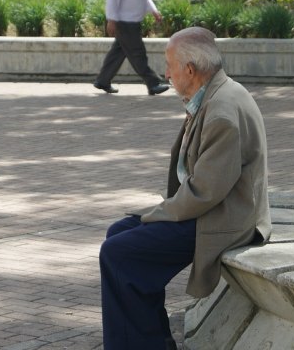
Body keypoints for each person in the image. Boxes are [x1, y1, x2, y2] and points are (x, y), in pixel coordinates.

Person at [99, 27, 271, 350]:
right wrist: (156, 214)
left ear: (189, 70)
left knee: (118, 253)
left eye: (169, 65)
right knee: (117, 233)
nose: (166, 73)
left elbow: (205, 192)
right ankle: (154, 340)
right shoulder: (211, 94)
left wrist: (156, 214)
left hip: (224, 219)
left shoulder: (222, 110)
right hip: (211, 208)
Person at [94, 0, 170, 96]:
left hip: (132, 22)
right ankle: (153, 83)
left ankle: (103, 80)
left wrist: (153, 10)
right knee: (137, 53)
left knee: (118, 53)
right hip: (125, 23)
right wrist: (111, 20)